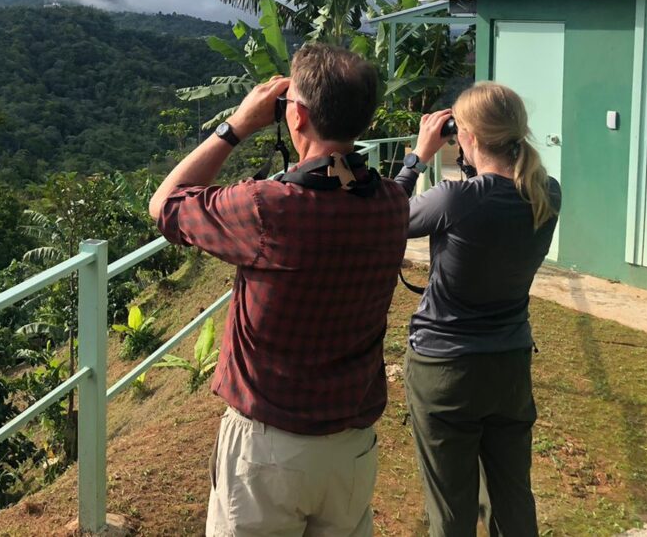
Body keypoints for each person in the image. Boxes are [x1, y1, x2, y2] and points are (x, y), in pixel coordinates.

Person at [149, 44, 409, 537]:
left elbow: (164, 204)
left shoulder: (267, 208)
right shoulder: (393, 204)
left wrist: (236, 127)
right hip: (351, 449)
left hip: (267, 451)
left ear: (300, 115)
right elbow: (349, 181)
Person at [392, 81, 561, 537]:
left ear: (465, 134)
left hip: (445, 369)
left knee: (452, 509)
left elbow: (382, 215)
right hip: (509, 367)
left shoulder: (457, 200)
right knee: (513, 498)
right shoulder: (548, 192)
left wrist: (417, 159)